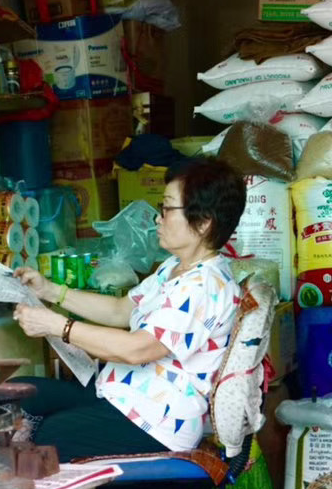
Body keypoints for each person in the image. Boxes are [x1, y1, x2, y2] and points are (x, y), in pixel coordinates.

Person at [13, 158, 247, 462]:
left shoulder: (204, 286)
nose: (158, 219)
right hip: (119, 391)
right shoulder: (175, 268)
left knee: (50, 438)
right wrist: (51, 291)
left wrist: (59, 327)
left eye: (166, 208)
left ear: (203, 223)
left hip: (154, 420)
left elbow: (138, 349)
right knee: (22, 395)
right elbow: (120, 310)